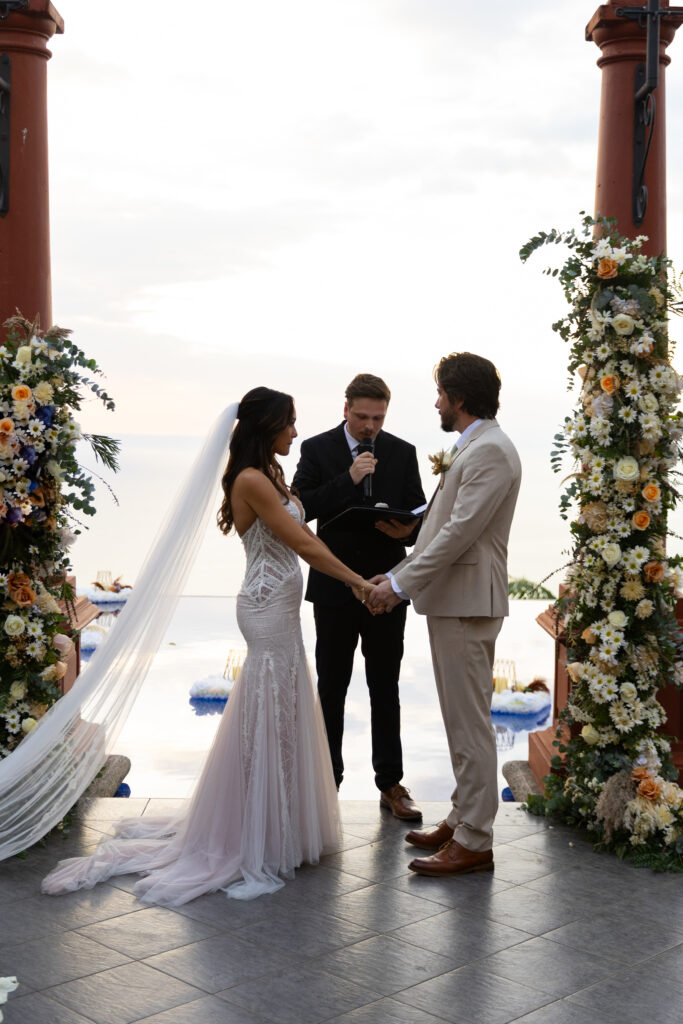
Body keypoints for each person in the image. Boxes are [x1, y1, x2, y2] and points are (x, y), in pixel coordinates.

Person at [42, 388, 377, 904]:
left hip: (281, 607)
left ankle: (276, 823)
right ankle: (255, 831)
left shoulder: (269, 475)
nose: (295, 432)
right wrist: (358, 582)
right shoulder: (250, 479)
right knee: (266, 709)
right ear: (268, 427)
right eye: (289, 423)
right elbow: (303, 542)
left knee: (282, 710)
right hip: (266, 607)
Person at [368, 353, 521, 875]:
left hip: (467, 601)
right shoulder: (476, 447)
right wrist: (405, 551)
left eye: (440, 394)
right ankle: (461, 816)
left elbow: (460, 534)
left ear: (458, 397)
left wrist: (400, 583)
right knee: (461, 719)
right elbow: (445, 525)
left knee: (471, 723)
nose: (436, 403)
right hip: (455, 600)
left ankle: (476, 839)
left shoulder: (492, 451)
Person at [292, 373, 426, 819]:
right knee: (332, 686)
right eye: (363, 416)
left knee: (384, 686)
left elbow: (421, 518)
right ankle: (326, 782)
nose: (371, 426)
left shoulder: (403, 452)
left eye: (379, 418)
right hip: (334, 586)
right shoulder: (316, 449)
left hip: (387, 584)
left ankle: (391, 784)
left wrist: (409, 528)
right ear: (345, 408)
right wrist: (349, 479)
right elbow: (300, 509)